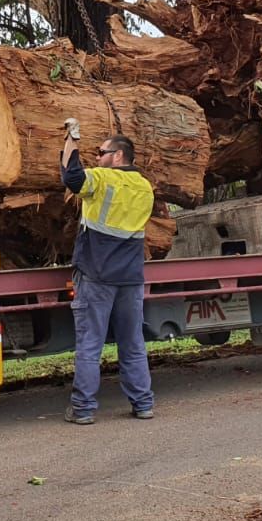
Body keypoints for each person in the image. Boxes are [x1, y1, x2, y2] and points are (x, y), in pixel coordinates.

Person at [60, 121, 156, 424]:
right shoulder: (145, 187)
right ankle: (143, 404)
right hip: (130, 277)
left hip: (96, 274)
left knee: (90, 345)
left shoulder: (102, 179)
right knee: (133, 344)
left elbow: (71, 177)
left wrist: (71, 139)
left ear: (117, 156)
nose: (97, 156)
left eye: (101, 152)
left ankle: (83, 409)